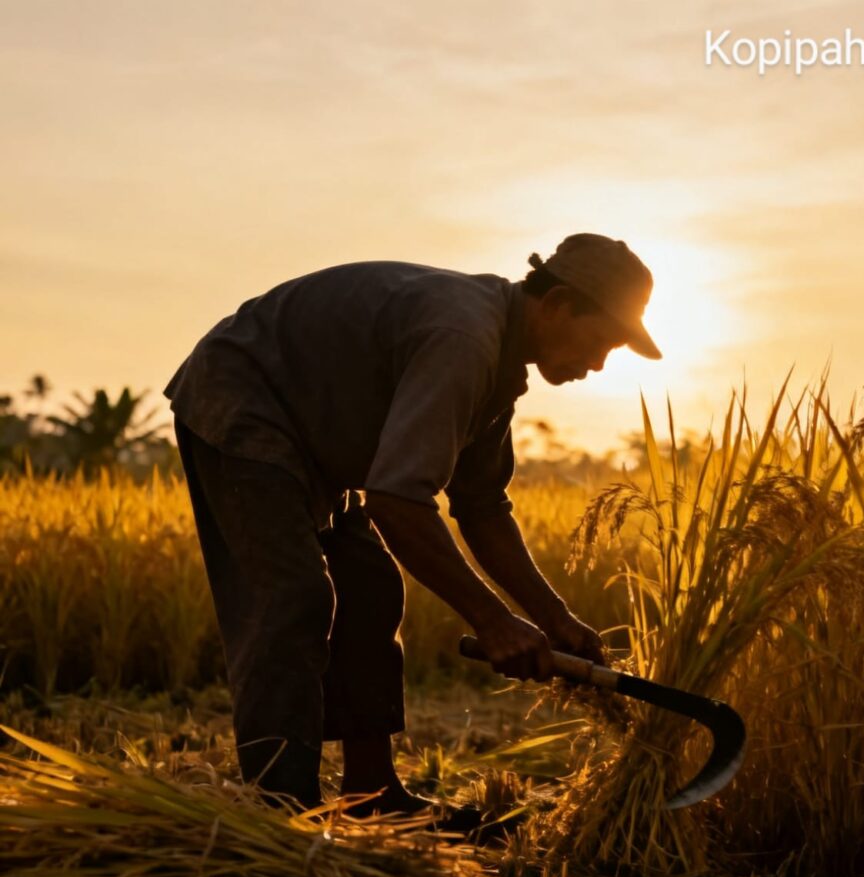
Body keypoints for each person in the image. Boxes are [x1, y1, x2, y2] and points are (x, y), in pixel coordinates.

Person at [165, 233, 660, 822]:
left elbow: (480, 506)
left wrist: (553, 617)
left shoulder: (498, 367)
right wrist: (493, 620)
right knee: (294, 597)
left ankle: (370, 797)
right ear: (556, 306)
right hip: (247, 397)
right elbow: (397, 502)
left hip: (320, 440)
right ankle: (277, 811)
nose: (598, 364)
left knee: (371, 586)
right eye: (601, 342)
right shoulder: (463, 339)